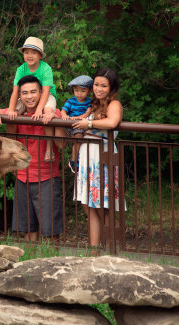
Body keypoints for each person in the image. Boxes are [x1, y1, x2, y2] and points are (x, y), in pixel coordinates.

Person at [0, 75, 67, 240]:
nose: (29, 96)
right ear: (19, 96)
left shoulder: (51, 112)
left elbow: (62, 145)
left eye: (33, 92)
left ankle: (54, 262)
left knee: (51, 233)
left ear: (42, 93)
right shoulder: (16, 113)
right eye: (25, 93)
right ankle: (28, 262)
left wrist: (56, 121)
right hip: (23, 177)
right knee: (28, 230)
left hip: (47, 177)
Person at [71, 68, 123, 248]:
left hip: (103, 156)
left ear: (112, 87)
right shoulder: (93, 104)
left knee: (105, 205)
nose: (99, 88)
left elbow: (112, 122)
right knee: (90, 204)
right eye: (96, 84)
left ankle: (112, 248)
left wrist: (90, 123)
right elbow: (80, 119)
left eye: (103, 85)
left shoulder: (113, 104)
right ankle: (94, 251)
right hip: (87, 154)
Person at [6, 37, 58, 162]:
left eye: (33, 52)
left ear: (40, 55)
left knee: (48, 114)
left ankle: (49, 149)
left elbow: (45, 91)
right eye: (26, 52)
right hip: (27, 96)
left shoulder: (46, 68)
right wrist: (12, 109)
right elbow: (15, 91)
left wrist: (39, 109)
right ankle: (13, 149)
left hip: (47, 95)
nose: (29, 55)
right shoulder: (21, 69)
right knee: (11, 116)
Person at [61, 75, 93, 173]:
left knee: (88, 141)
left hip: (85, 124)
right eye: (76, 90)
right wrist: (65, 116)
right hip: (75, 125)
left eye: (83, 91)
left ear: (89, 91)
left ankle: (84, 161)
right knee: (78, 136)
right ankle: (74, 160)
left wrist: (79, 118)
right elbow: (63, 110)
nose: (79, 94)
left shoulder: (89, 102)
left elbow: (87, 113)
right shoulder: (71, 101)